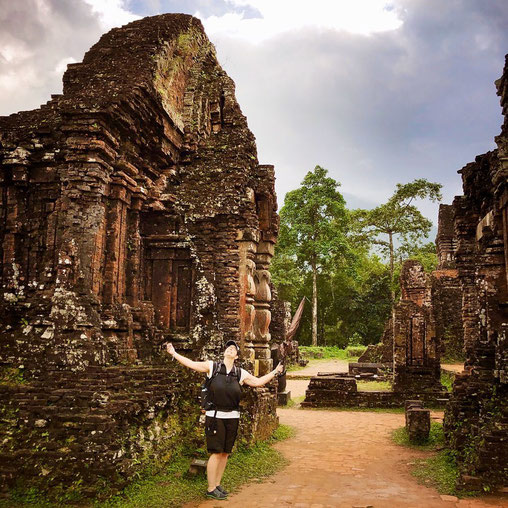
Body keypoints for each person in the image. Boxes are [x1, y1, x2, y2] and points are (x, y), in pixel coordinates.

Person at [166, 339, 284, 500]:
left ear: (236, 356)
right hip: (215, 417)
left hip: (232, 417)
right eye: (228, 348)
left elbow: (257, 382)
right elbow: (192, 364)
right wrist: (174, 354)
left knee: (225, 453)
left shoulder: (240, 373)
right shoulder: (212, 367)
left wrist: (275, 371)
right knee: (215, 452)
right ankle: (210, 487)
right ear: (224, 353)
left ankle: (217, 484)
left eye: (233, 349)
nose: (230, 350)